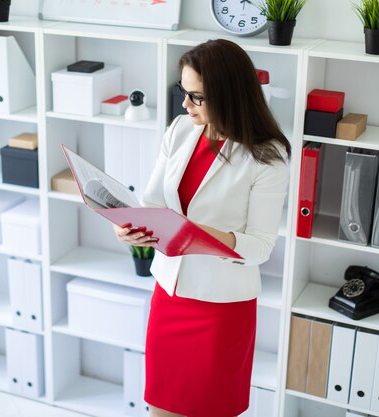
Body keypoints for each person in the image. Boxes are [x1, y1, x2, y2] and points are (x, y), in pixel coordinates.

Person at [114, 39, 291, 417]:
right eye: (184, 91)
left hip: (221, 309)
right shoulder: (180, 130)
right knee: (160, 408)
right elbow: (152, 204)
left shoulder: (267, 156)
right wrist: (131, 228)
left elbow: (260, 247)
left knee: (210, 408)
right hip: (170, 295)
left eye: (196, 96)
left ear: (228, 94)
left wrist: (201, 232)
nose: (185, 104)